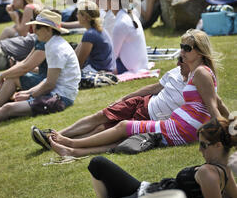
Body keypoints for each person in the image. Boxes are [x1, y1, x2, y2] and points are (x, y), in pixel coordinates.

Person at [47, 29, 227, 157]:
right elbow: (217, 101)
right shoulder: (196, 72)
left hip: (182, 128)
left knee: (123, 127)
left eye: (187, 49)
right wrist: (232, 122)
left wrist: (226, 136)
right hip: (178, 125)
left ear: (200, 51)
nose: (182, 52)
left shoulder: (201, 72)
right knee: (125, 135)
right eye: (182, 47)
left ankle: (71, 143)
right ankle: (73, 151)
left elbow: (212, 107)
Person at [61, 115, 237, 198]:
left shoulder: (209, 173)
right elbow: (233, 197)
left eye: (204, 145)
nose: (199, 150)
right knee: (98, 163)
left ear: (219, 145)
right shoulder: (224, 170)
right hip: (145, 189)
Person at [32, 56, 189, 148]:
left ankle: (65, 142)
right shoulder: (177, 71)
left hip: (150, 117)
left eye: (181, 59)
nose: (177, 63)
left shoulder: (198, 82)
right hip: (143, 101)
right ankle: (55, 135)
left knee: (104, 128)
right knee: (100, 115)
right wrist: (126, 97)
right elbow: (155, 87)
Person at [106, 0, 148, 74]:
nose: (106, 1)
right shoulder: (130, 16)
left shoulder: (121, 23)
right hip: (139, 65)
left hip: (127, 67)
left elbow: (113, 55)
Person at [75, 0, 115, 74]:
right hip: (105, 69)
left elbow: (80, 62)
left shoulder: (90, 34)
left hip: (96, 71)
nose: (76, 16)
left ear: (85, 17)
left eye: (78, 13)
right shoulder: (98, 30)